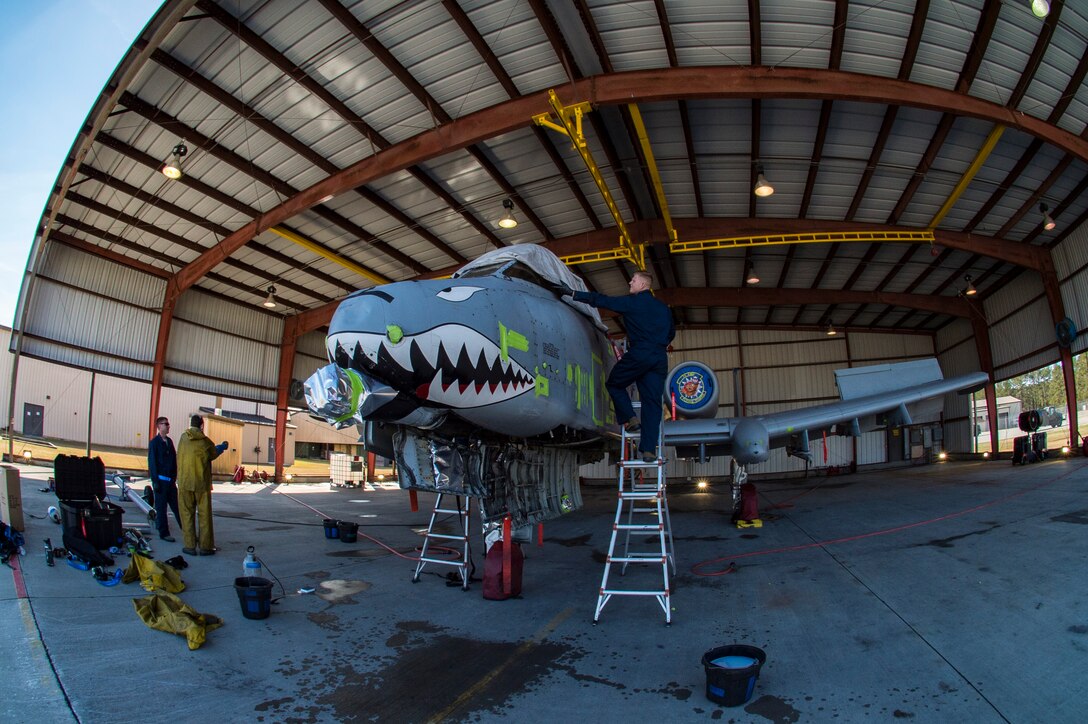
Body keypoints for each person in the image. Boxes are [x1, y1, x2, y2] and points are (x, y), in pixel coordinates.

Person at [551, 270, 675, 462]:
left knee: (614, 384)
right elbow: (671, 334)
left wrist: (573, 293)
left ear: (643, 285)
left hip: (639, 353)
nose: (629, 282)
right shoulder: (664, 309)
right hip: (659, 357)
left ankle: (630, 418)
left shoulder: (632, 302)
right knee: (652, 404)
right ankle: (648, 449)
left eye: (633, 280)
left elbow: (602, 300)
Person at [176, 414, 228, 556]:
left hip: (185, 482)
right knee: (204, 515)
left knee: (186, 514)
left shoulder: (183, 438)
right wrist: (221, 447)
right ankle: (205, 547)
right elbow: (213, 453)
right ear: (201, 425)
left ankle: (189, 546)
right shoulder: (205, 441)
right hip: (201, 484)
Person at [147, 416, 181, 542]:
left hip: (170, 482)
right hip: (160, 481)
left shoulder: (169, 442)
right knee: (161, 509)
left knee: (177, 508)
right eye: (165, 424)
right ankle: (164, 533)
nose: (168, 426)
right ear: (159, 426)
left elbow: (173, 460)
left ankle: (187, 531)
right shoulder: (154, 443)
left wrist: (174, 478)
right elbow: (152, 462)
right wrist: (155, 481)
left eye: (168, 424)